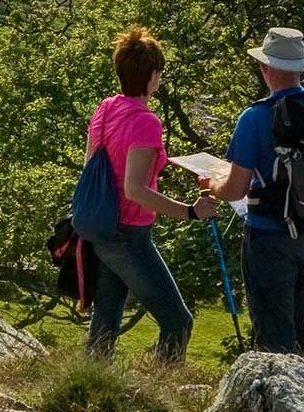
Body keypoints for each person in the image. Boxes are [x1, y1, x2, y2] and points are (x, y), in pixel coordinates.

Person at [202, 27, 304, 354]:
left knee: (274, 334)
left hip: (268, 237)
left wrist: (212, 185)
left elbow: (235, 189)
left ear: (265, 68)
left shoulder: (255, 117)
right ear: (301, 68)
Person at [84, 27, 219, 361]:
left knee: (104, 326)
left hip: (100, 229)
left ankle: (88, 387)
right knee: (178, 321)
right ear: (153, 74)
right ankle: (163, 389)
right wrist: (190, 210)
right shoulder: (146, 122)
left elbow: (91, 166)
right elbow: (135, 189)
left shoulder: (105, 109)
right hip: (130, 236)